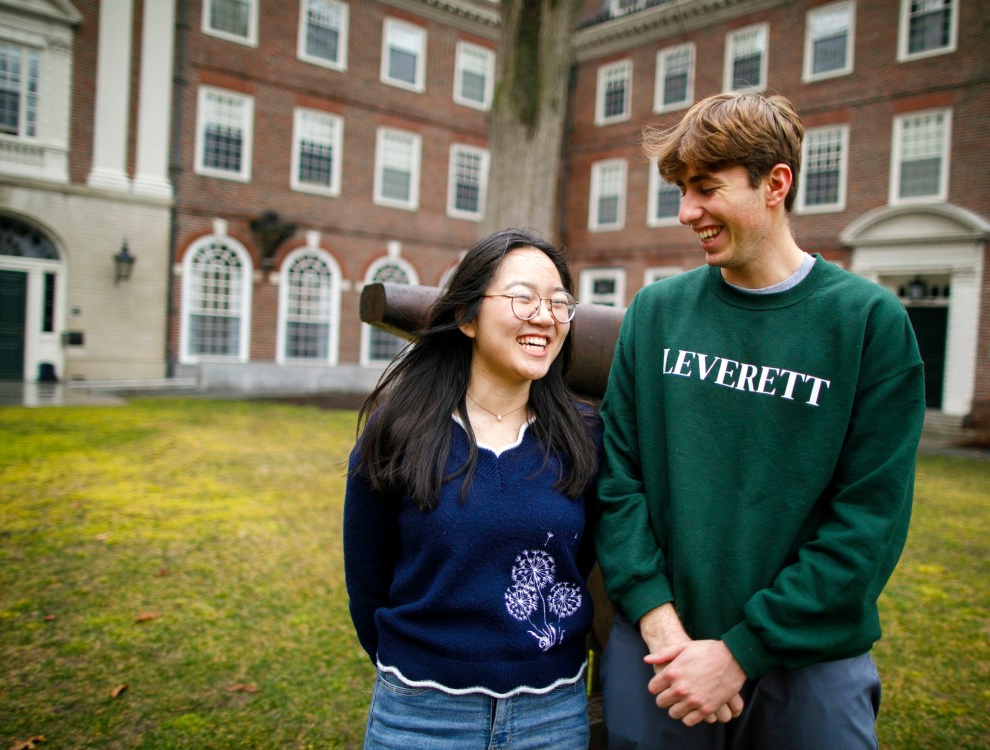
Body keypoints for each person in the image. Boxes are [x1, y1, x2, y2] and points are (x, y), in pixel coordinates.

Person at [594, 91, 926, 749]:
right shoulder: (656, 314)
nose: (687, 212)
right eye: (682, 191)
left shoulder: (867, 325)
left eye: (706, 189)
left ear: (775, 184)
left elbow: (869, 522)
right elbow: (617, 486)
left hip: (806, 659)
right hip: (663, 651)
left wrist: (742, 651)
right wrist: (665, 634)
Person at [343, 228, 602, 750]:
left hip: (551, 715)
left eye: (559, 303)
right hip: (422, 714)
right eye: (523, 297)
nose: (546, 316)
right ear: (466, 317)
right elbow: (367, 576)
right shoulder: (401, 429)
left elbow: (585, 552)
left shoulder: (584, 436)